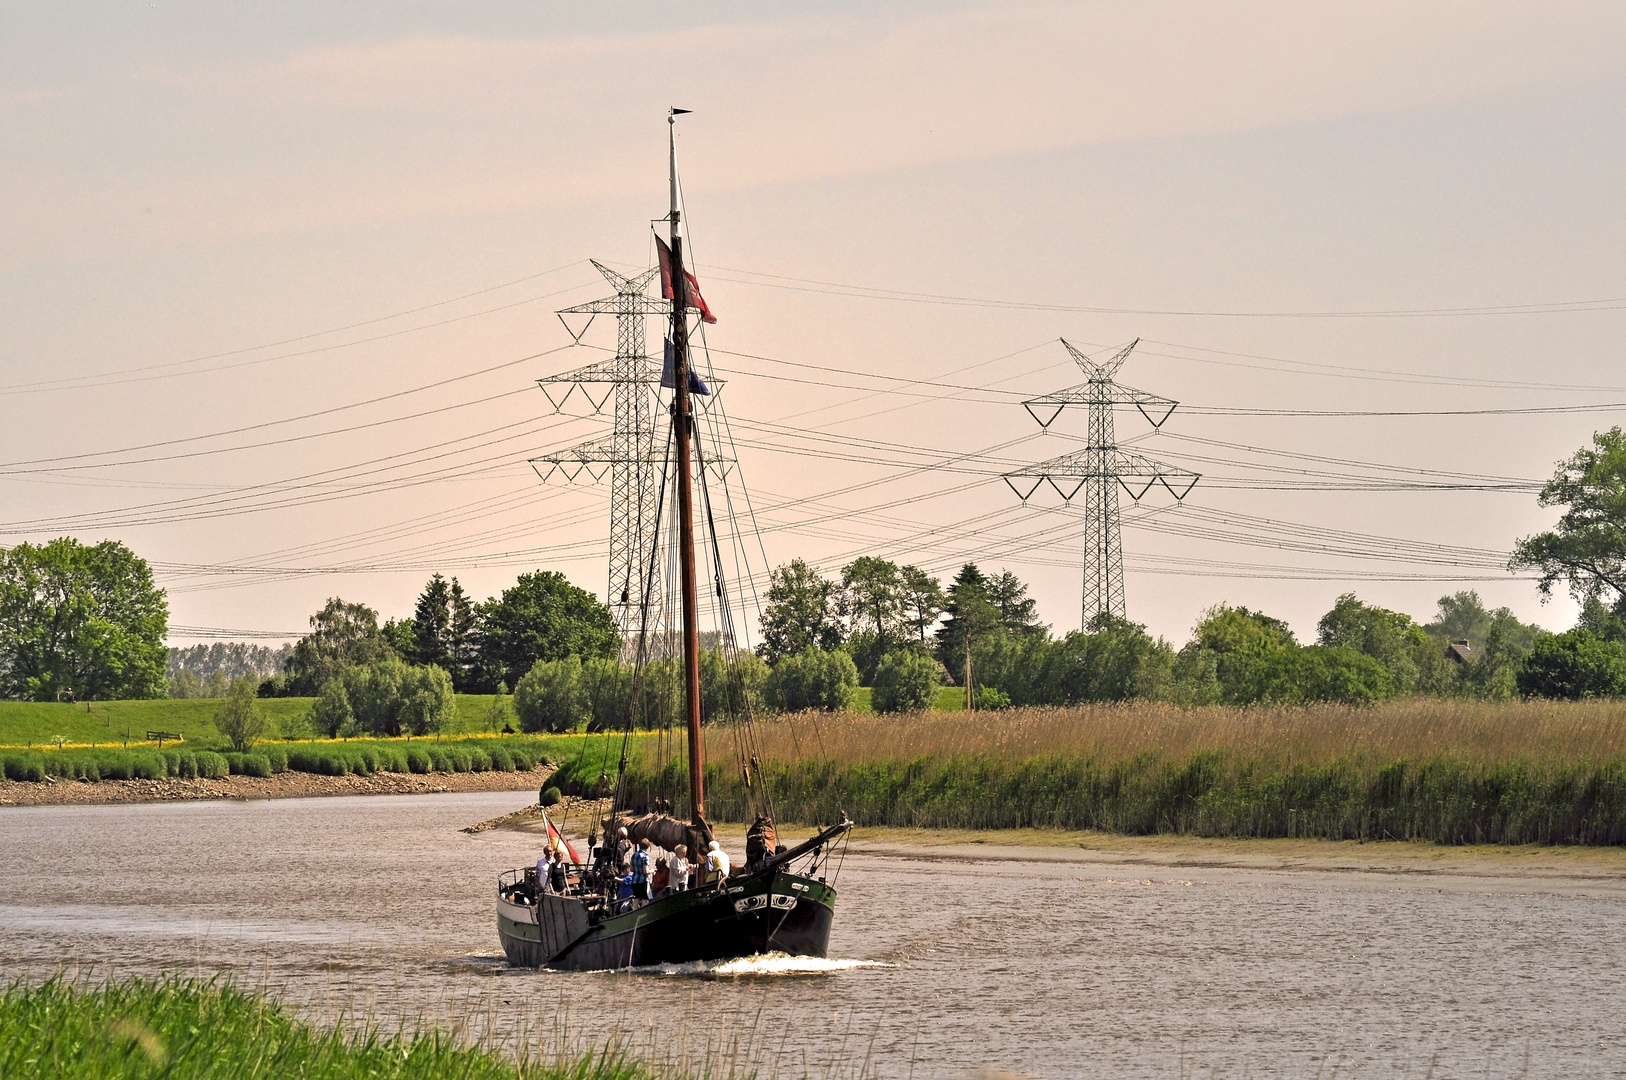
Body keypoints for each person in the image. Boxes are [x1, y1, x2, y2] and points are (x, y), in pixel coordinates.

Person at [630, 838, 652, 902]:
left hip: (635, 881)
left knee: (636, 899)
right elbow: (645, 871)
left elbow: (631, 869)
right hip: (643, 881)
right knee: (645, 900)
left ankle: (635, 910)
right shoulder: (645, 856)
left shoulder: (634, 855)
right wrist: (652, 871)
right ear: (648, 846)